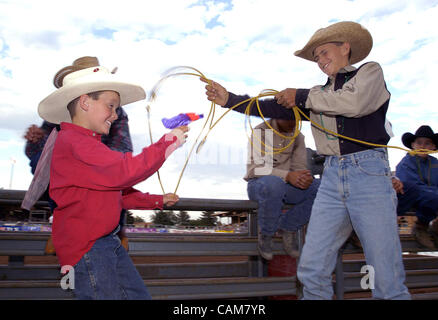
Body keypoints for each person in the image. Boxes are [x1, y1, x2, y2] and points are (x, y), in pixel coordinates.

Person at [203, 21, 410, 300]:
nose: (321, 61)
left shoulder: (369, 72)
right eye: (316, 58)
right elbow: (266, 106)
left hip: (369, 173)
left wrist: (300, 96)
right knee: (312, 268)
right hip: (332, 175)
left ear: (345, 47)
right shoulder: (315, 95)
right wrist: (229, 99)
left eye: (324, 53)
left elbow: (354, 103)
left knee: (385, 275)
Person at [37, 58, 188, 300]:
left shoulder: (82, 144)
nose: (116, 115)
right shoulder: (75, 142)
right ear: (85, 102)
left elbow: (116, 193)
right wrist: (168, 143)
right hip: (90, 247)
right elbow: (125, 172)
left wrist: (156, 201)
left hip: (103, 243)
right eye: (111, 106)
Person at [23, 57, 135, 252]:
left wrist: (93, 160)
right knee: (43, 162)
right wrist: (36, 141)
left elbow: (122, 151)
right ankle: (65, 220)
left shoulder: (113, 110)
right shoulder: (62, 114)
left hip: (101, 169)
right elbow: (38, 157)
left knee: (116, 172)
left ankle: (113, 230)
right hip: (76, 172)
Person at [246, 118, 320, 260]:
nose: (293, 123)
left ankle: (288, 226)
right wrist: (287, 176)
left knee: (322, 188)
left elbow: (299, 168)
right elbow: (256, 169)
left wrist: (304, 177)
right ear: (276, 115)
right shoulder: (261, 131)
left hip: (287, 186)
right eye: (288, 117)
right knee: (274, 184)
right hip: (260, 184)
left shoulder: (297, 136)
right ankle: (267, 234)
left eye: (296, 118)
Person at [395, 125, 438, 249]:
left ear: (433, 147)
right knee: (428, 195)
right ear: (413, 145)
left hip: (430, 198)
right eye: (419, 143)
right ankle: (421, 226)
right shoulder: (406, 163)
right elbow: (411, 186)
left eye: (427, 143)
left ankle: (434, 226)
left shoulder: (435, 163)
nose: (423, 146)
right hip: (412, 198)